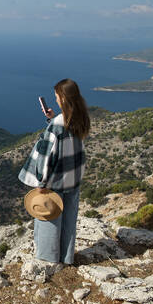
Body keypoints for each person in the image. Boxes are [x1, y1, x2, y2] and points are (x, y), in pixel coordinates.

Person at [18, 78, 90, 265]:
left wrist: (41, 183)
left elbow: (46, 155)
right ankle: (67, 258)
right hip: (72, 180)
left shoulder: (58, 124)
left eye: (57, 96)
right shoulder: (80, 118)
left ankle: (48, 260)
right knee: (68, 221)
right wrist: (52, 118)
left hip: (55, 182)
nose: (56, 100)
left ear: (64, 98)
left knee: (49, 219)